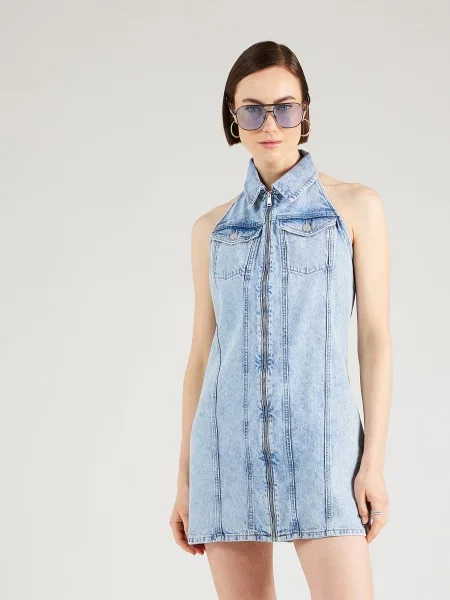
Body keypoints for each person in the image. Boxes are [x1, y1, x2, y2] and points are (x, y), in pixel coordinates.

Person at [170, 40, 392, 600]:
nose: (270, 124)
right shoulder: (211, 230)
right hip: (225, 457)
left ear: (305, 113)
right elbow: (201, 358)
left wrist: (373, 463)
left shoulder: (355, 207)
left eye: (285, 108)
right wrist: (186, 480)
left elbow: (374, 339)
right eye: (252, 110)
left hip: (326, 453)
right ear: (233, 118)